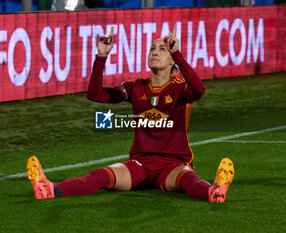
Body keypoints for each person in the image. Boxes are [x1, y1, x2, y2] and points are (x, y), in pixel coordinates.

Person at [26, 25, 235, 203]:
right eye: (152, 48)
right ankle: (50, 189)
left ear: (172, 62)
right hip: (140, 165)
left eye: (162, 49)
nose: (155, 51)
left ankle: (213, 191)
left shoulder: (180, 88)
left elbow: (199, 89)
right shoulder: (135, 88)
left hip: (172, 165)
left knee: (189, 181)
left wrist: (178, 54)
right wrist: (101, 56)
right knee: (100, 176)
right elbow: (95, 94)